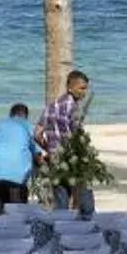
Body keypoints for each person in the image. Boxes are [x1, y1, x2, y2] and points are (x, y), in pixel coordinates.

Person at [33, 69, 93, 216]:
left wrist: (50, 148)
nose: (84, 92)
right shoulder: (73, 107)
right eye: (81, 88)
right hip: (72, 160)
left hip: (55, 159)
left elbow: (37, 133)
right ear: (70, 87)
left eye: (86, 88)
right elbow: (75, 136)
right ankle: (88, 228)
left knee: (61, 199)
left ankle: (62, 229)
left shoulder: (51, 106)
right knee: (85, 199)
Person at [0, 102, 35, 208]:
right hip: (18, 176)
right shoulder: (26, 125)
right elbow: (35, 148)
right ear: (25, 115)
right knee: (18, 212)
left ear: (11, 114)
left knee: (0, 209)